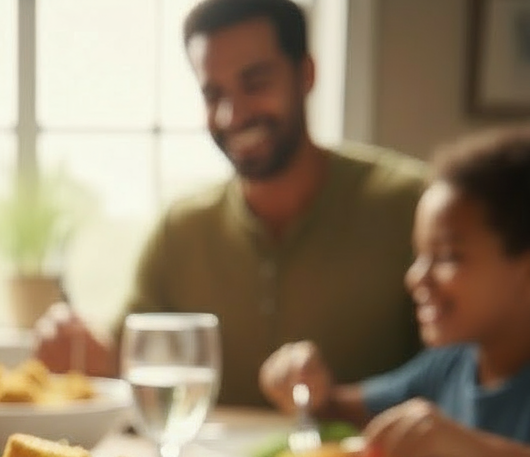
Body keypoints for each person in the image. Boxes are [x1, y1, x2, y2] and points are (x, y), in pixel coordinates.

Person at [35, 0, 427, 407]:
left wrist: (338, 400)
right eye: (213, 93)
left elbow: (466, 370)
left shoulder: (410, 205)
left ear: (306, 74)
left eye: (255, 83)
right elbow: (123, 364)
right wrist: (81, 349)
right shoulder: (180, 230)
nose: (232, 114)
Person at [259, 125, 530, 457]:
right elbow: (347, 409)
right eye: (419, 255)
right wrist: (308, 388)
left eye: (448, 257)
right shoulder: (452, 364)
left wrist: (475, 449)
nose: (416, 278)